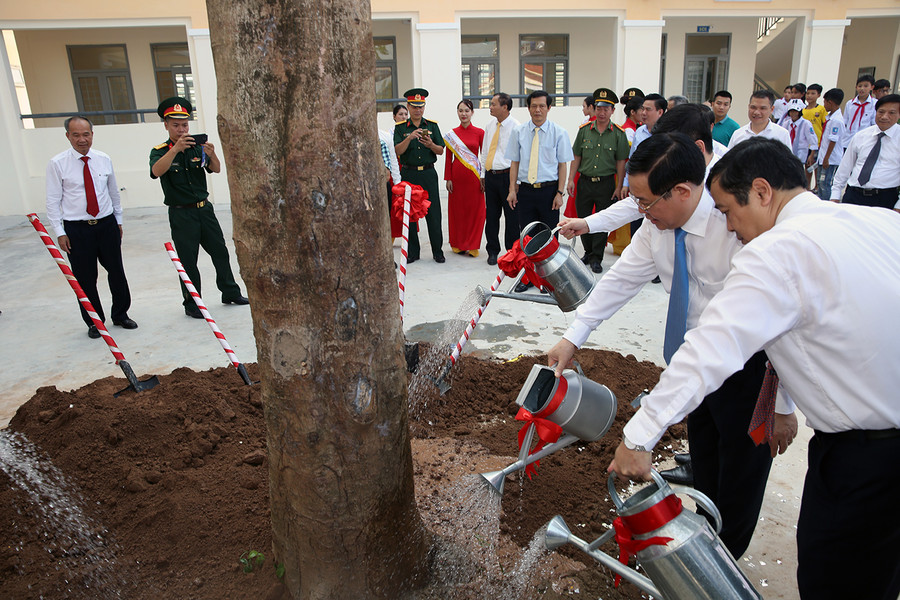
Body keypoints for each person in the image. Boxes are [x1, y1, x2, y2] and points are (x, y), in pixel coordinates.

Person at [607, 137, 900, 600]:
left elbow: (711, 346)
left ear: (762, 192)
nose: (727, 225)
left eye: (726, 210)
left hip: (868, 458)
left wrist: (639, 435)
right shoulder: (877, 221)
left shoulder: (777, 252)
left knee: (837, 580)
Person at [551, 131, 791, 558]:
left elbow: (786, 324)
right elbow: (622, 279)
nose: (641, 212)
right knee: (707, 465)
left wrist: (784, 405)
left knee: (740, 480)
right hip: (690, 365)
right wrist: (574, 336)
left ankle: (722, 566)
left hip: (749, 369)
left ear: (682, 190)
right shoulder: (656, 226)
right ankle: (708, 539)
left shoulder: (736, 225)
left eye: (646, 202)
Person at [149, 97, 248, 319]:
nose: (181, 129)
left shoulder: (196, 148)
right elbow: (156, 171)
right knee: (188, 260)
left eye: (184, 125)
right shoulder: (161, 151)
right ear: (166, 125)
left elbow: (216, 169)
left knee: (220, 252)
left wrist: (212, 155)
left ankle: (230, 291)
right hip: (181, 213)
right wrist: (175, 150)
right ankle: (192, 303)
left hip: (204, 210)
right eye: (175, 125)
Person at [46, 115, 136, 338]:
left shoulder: (103, 159)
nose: (82, 139)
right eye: (76, 135)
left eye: (86, 134)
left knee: (116, 271)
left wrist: (118, 221)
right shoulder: (57, 164)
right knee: (85, 278)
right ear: (68, 136)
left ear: (92, 135)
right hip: (76, 230)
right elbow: (52, 201)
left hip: (106, 225)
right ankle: (95, 321)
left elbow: (113, 192)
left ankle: (121, 314)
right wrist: (60, 232)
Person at [506, 90, 573, 292]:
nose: (537, 110)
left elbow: (563, 165)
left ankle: (549, 279)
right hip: (525, 191)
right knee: (527, 236)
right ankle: (528, 277)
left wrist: (560, 193)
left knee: (549, 237)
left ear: (549, 108)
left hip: (549, 192)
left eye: (542, 106)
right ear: (528, 108)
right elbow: (514, 163)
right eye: (534, 106)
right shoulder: (519, 132)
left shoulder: (559, 132)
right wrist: (512, 190)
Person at [565, 88, 629, 274]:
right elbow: (576, 156)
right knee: (583, 217)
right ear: (595, 109)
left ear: (612, 111)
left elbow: (621, 162)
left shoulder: (618, 134)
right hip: (584, 182)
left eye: (606, 109)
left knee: (602, 221)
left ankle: (596, 257)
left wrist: (619, 186)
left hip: (606, 184)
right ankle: (588, 251)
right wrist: (571, 179)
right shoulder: (585, 131)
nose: (602, 113)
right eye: (599, 108)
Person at [394, 88, 446, 263]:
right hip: (409, 174)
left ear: (424, 107)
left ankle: (437, 251)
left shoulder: (432, 126)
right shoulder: (401, 128)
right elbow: (397, 150)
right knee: (410, 213)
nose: (418, 110)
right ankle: (413, 252)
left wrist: (431, 144)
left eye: (421, 106)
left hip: (429, 173)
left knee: (434, 213)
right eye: (414, 106)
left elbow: (440, 151)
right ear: (408, 107)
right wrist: (409, 138)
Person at [831, 93, 900, 209]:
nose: (884, 116)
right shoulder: (862, 136)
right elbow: (845, 167)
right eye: (881, 112)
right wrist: (835, 196)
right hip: (853, 195)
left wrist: (898, 207)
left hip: (884, 199)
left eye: (891, 113)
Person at [480, 92, 520, 265]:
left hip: (508, 178)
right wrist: (483, 174)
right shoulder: (490, 125)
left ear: (505, 107)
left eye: (493, 104)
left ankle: (512, 252)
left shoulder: (516, 127)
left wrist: (516, 183)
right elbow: (485, 151)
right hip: (491, 177)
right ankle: (492, 251)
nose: (490, 107)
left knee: (512, 218)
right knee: (492, 215)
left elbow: (519, 156)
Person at [444, 99, 485, 258]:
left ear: (472, 113)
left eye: (467, 111)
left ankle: (473, 245)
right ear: (457, 112)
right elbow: (448, 158)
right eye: (460, 110)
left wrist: (483, 177)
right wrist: (448, 178)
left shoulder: (480, 132)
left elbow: (484, 155)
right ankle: (458, 244)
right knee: (458, 212)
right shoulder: (452, 134)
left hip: (474, 178)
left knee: (476, 211)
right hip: (457, 177)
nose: (463, 114)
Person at [727, 90, 792, 150]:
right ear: (749, 107)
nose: (756, 112)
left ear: (772, 109)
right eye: (753, 107)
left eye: (762, 108)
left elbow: (788, 161)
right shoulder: (738, 134)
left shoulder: (782, 134)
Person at [816, 88, 846, 201]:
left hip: (830, 158)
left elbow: (833, 141)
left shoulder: (836, 121)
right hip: (823, 156)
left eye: (824, 102)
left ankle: (826, 204)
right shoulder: (830, 118)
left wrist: (826, 158)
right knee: (820, 182)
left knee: (825, 183)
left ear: (830, 102)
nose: (824, 105)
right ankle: (821, 201)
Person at [781, 99, 818, 170]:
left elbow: (813, 140)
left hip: (800, 154)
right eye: (791, 111)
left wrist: (811, 155)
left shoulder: (806, 124)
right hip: (787, 154)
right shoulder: (786, 123)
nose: (793, 114)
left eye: (795, 112)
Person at [843, 74, 877, 144]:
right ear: (856, 87)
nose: (862, 88)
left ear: (872, 87)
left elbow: (874, 124)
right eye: (860, 86)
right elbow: (845, 122)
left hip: (865, 141)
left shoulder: (875, 104)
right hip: (848, 140)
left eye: (866, 86)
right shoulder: (850, 103)